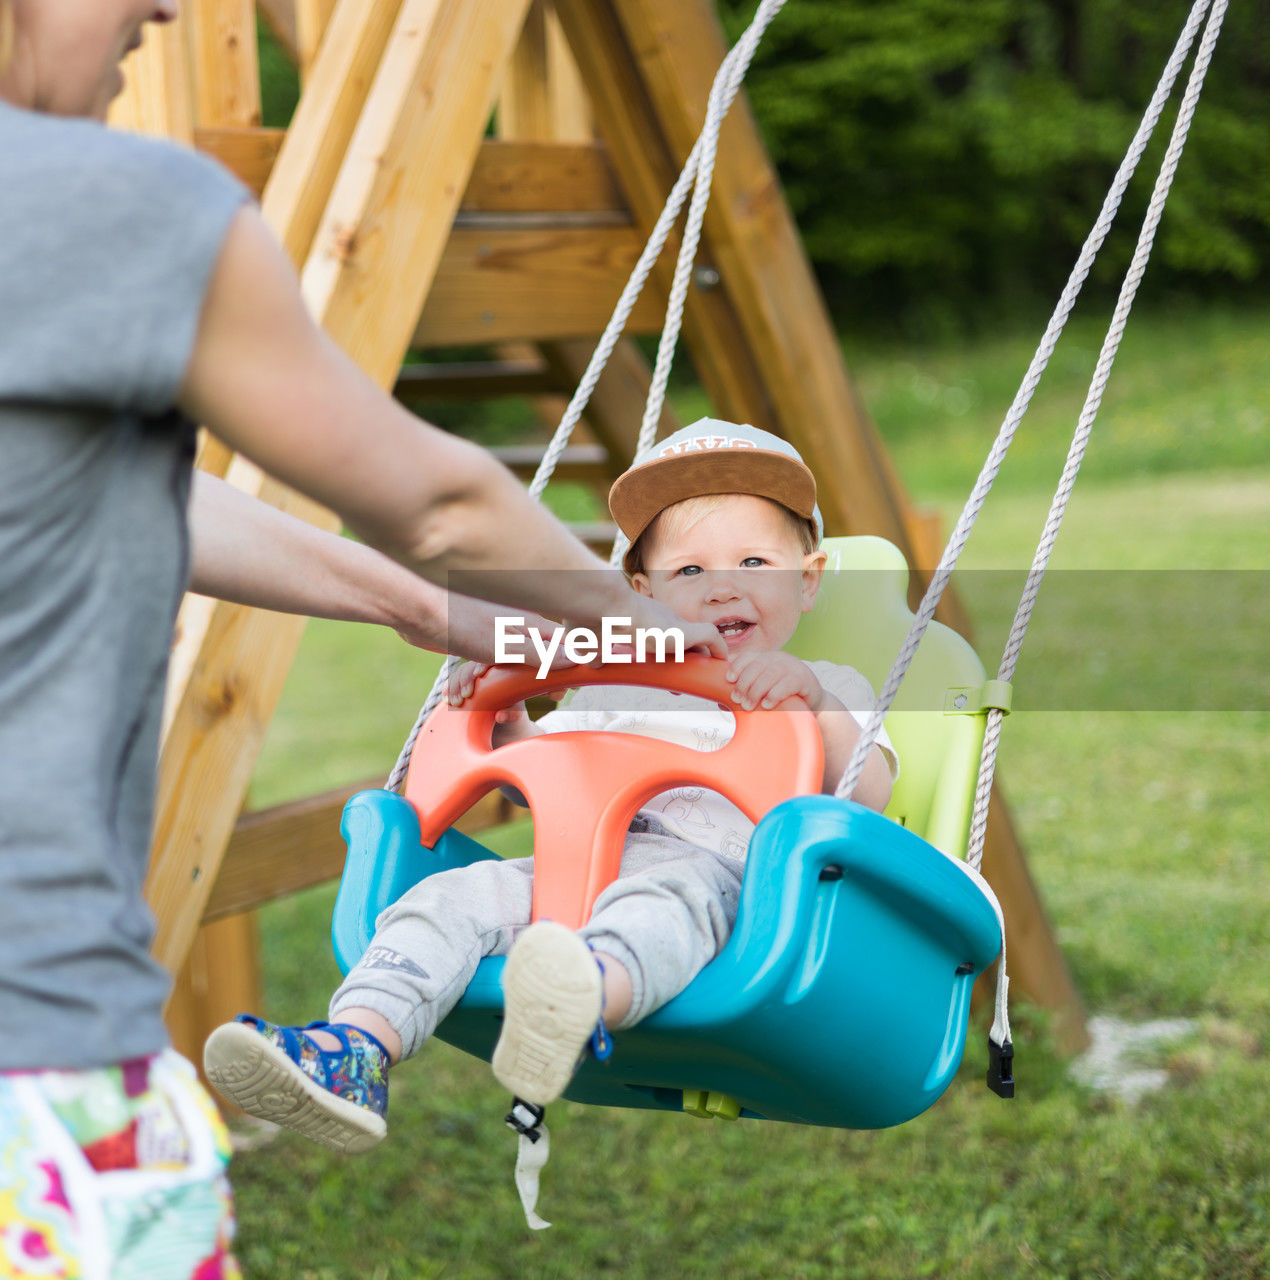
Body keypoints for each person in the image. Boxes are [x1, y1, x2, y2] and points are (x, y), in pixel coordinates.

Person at [0, 3, 721, 1276]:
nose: (164, 9)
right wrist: (650, 633)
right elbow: (438, 500)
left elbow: (128, 490)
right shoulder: (115, 203)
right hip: (33, 1047)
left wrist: (418, 607)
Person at [203, 421, 898, 1159]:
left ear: (809, 578)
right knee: (445, 900)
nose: (723, 584)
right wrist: (504, 720)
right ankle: (356, 1048)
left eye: (754, 561)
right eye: (688, 572)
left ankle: (575, 1001)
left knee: (661, 905)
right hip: (571, 874)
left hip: (729, 886)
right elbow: (550, 778)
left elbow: (869, 797)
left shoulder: (824, 690)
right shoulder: (614, 686)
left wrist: (813, 706)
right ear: (642, 591)